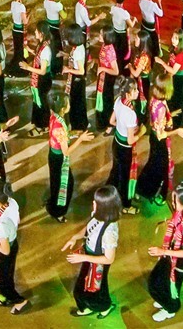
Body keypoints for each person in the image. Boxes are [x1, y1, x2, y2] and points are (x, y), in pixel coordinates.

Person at [63, 185, 121, 319]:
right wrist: (75, 237)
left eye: (97, 203)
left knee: (91, 291)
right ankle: (89, 307)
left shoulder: (109, 232)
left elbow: (109, 259)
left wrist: (83, 258)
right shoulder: (98, 216)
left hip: (97, 263)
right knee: (90, 288)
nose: (93, 204)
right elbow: (89, 227)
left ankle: (103, 307)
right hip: (89, 258)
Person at [146, 181, 183, 322]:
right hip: (171, 255)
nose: (173, 203)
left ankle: (170, 308)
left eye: (175, 200)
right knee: (159, 282)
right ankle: (165, 301)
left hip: (178, 262)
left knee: (164, 286)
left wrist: (162, 251)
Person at [136, 74, 183, 204]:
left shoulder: (155, 98)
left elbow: (155, 120)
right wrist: (177, 131)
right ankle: (152, 192)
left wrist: (170, 115)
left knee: (153, 164)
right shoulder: (160, 107)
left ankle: (141, 189)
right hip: (159, 141)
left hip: (153, 137)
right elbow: (161, 134)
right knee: (160, 168)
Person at [0, 178, 30, 314]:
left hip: (4, 252)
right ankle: (1, 298)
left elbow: (5, 251)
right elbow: (14, 220)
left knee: (3, 282)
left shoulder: (2, 225)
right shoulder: (11, 202)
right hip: (11, 241)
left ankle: (19, 301)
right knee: (2, 276)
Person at [47, 91, 95, 222]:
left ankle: (53, 205)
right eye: (68, 104)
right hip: (59, 159)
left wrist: (72, 134)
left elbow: (61, 137)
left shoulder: (54, 116)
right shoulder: (59, 127)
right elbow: (66, 151)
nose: (70, 105)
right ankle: (58, 212)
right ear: (63, 108)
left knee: (56, 183)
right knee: (64, 185)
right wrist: (80, 139)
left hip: (53, 155)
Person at [106, 77, 145, 214]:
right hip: (125, 149)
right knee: (125, 178)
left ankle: (107, 193)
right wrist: (141, 132)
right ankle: (126, 206)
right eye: (135, 90)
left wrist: (123, 127)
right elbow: (130, 140)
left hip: (116, 142)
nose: (138, 92)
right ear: (128, 94)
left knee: (116, 171)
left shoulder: (118, 101)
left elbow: (112, 121)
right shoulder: (130, 113)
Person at [20, 20, 53, 136]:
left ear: (41, 33)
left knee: (41, 104)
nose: (35, 33)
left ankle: (42, 126)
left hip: (42, 80)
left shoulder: (46, 49)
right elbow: (38, 56)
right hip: (40, 80)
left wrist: (27, 67)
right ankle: (42, 124)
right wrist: (29, 50)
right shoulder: (41, 45)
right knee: (39, 102)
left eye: (36, 31)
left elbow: (42, 71)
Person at [61, 23, 89, 131]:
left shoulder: (77, 51)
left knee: (76, 105)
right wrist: (66, 55)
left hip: (77, 80)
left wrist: (68, 70)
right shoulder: (78, 47)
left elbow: (81, 71)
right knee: (79, 103)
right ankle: (81, 125)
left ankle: (78, 127)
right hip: (77, 80)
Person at [94, 29, 120, 132]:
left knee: (107, 102)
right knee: (102, 100)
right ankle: (102, 123)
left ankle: (109, 125)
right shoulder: (104, 45)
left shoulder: (109, 50)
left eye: (101, 34)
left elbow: (116, 71)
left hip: (107, 80)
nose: (99, 36)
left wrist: (102, 69)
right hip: (102, 78)